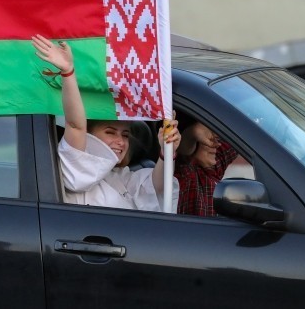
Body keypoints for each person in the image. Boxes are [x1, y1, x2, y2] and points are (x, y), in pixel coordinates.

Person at [32, 34, 180, 212]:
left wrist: (166, 151)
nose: (121, 141)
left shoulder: (118, 176)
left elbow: (154, 188)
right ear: (89, 136)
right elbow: (75, 125)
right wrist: (68, 72)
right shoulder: (75, 168)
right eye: (110, 132)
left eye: (125, 135)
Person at [175, 121, 238, 217]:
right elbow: (183, 150)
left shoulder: (214, 168)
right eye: (208, 139)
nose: (216, 145)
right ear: (194, 144)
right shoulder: (185, 175)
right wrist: (194, 131)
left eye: (217, 139)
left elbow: (239, 138)